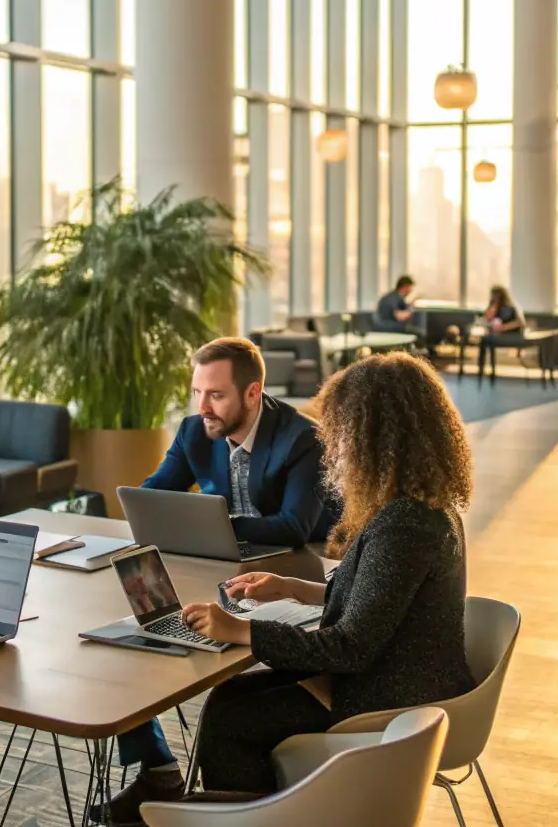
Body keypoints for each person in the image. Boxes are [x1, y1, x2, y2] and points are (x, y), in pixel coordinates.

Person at [173, 352, 476, 799]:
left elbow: (349, 647)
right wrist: (293, 588)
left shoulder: (405, 523)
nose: (333, 447)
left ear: (371, 438)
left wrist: (240, 629)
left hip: (391, 692)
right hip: (399, 671)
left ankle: (263, 815)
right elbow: (380, 597)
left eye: (339, 433)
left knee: (231, 722)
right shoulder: (423, 506)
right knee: (227, 698)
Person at [90, 337, 333, 823]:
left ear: (252, 393)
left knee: (231, 686)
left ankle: (266, 798)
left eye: (215, 394)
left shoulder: (300, 438)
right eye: (197, 391)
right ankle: (158, 768)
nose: (202, 405)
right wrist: (157, 508)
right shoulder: (194, 431)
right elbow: (157, 494)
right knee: (123, 637)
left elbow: (294, 526)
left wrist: (212, 519)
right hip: (217, 568)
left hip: (294, 573)